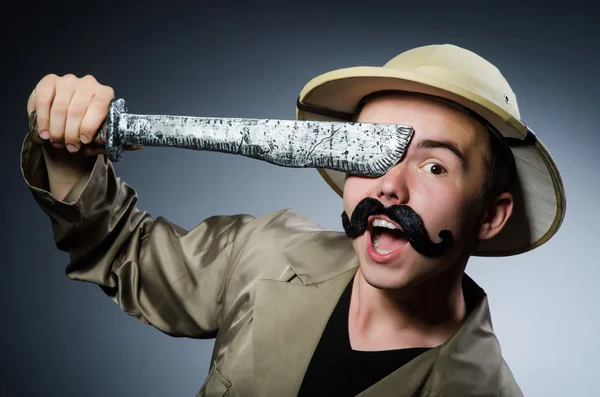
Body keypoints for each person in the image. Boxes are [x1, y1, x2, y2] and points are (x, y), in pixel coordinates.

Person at [20, 44, 566, 396]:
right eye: (367, 153)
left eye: (434, 165)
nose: (389, 186)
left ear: (490, 217)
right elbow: (121, 251)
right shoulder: (266, 251)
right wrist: (68, 153)